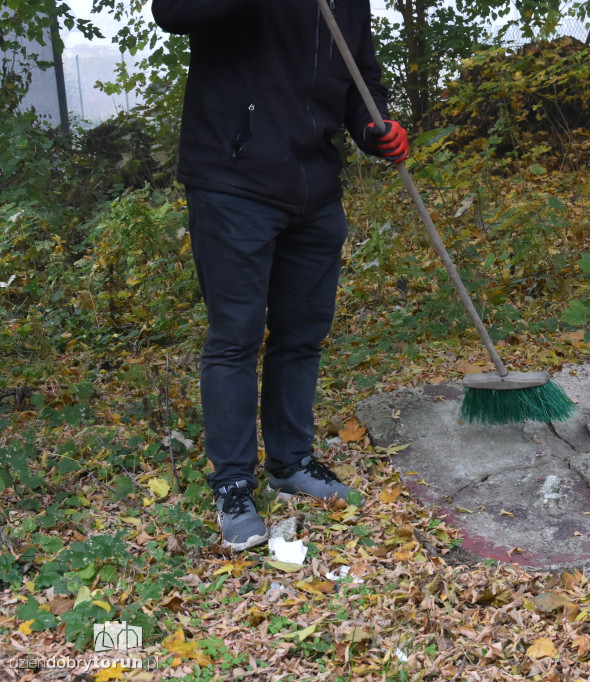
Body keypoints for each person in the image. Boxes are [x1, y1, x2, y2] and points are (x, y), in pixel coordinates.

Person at [153, 0, 409, 551]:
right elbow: (171, 11)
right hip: (231, 179)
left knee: (302, 335)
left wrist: (373, 127)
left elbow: (359, 74)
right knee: (235, 338)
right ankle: (234, 485)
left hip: (314, 188)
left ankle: (290, 462)